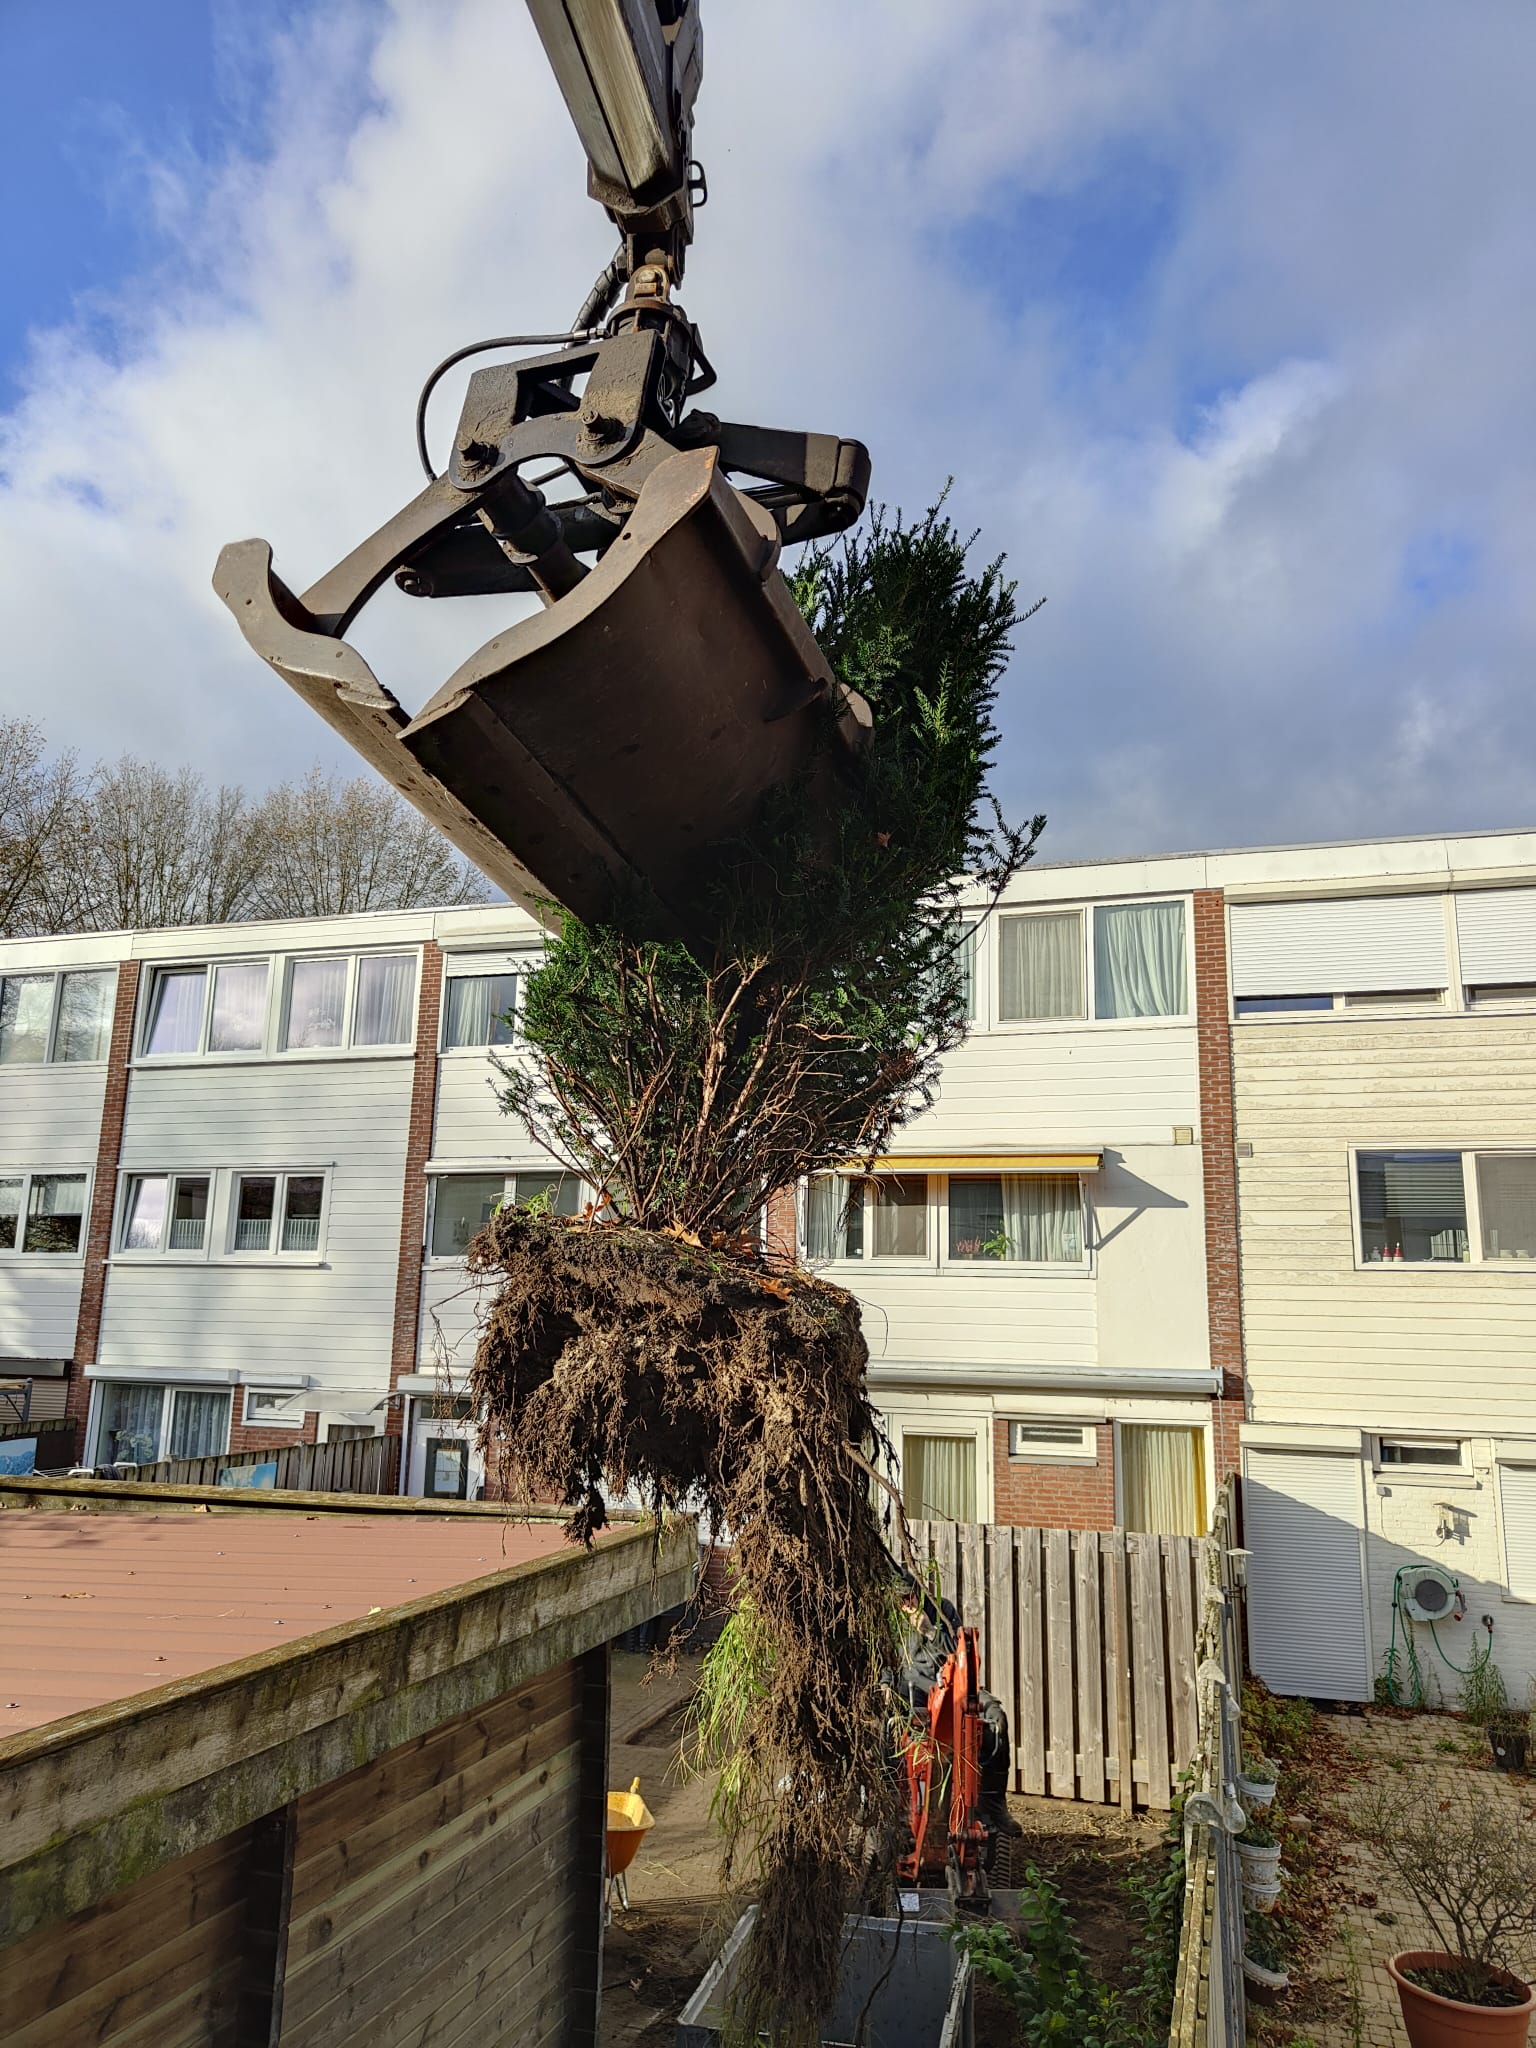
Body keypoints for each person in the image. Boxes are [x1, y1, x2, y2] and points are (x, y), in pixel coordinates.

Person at [893, 1572, 1022, 1839]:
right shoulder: (893, 1620)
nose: (906, 1604)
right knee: (897, 1726)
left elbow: (957, 1652)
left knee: (996, 1718)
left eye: (910, 1597)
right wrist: (885, 1684)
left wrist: (930, 1631)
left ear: (919, 1593)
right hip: (913, 1687)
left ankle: (993, 1804)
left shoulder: (942, 1609)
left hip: (950, 1684)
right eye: (901, 1600)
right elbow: (886, 1659)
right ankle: (896, 1809)